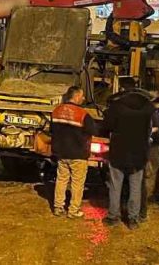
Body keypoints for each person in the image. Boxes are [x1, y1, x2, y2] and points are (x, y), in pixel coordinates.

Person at [103, 77, 154, 228]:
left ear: (122, 88)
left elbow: (107, 126)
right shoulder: (146, 107)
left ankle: (113, 216)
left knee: (115, 185)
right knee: (135, 187)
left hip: (119, 151)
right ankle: (133, 219)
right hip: (138, 153)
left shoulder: (117, 106)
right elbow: (149, 130)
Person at [51, 85, 97, 219]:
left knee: (61, 180)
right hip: (78, 154)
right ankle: (73, 210)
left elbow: (52, 130)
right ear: (76, 96)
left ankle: (58, 207)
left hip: (62, 153)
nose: (83, 98)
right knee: (77, 183)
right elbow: (94, 131)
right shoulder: (82, 114)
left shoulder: (56, 111)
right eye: (82, 96)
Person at [138, 91, 159, 220]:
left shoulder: (132, 111)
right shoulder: (152, 111)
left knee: (139, 180)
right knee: (146, 177)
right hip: (149, 146)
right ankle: (143, 208)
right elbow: (156, 128)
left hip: (136, 147)